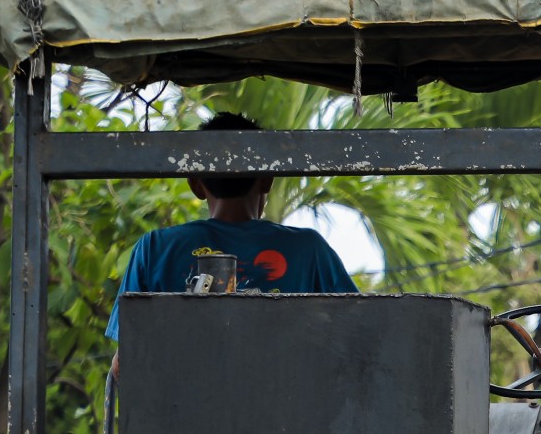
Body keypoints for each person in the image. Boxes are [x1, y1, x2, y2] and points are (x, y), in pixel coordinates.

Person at [106, 112, 359, 345]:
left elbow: (127, 358)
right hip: (285, 392)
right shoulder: (309, 249)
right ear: (267, 179)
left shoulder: (154, 248)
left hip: (184, 394)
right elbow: (359, 330)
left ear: (195, 184)